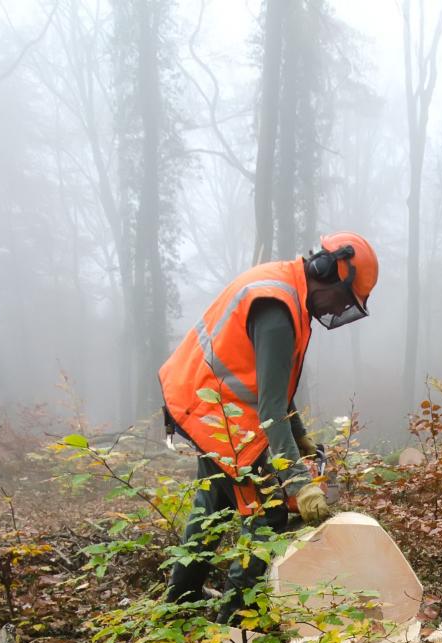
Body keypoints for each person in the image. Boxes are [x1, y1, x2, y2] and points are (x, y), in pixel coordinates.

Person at [159, 232, 379, 610]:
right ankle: (237, 617)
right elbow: (270, 410)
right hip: (217, 412)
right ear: (326, 271)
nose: (336, 309)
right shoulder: (277, 310)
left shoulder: (286, 288)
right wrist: (299, 484)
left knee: (212, 501)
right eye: (341, 298)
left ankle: (181, 598)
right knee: (268, 512)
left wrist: (301, 436)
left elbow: (275, 383)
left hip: (204, 400)